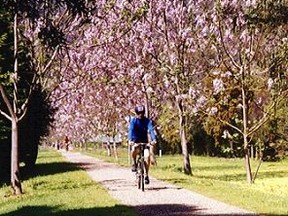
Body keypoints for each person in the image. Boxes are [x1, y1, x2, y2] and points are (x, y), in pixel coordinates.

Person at [128, 105, 157, 184]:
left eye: (142, 113)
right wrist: (130, 140)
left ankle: (146, 175)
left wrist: (154, 140)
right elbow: (131, 130)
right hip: (135, 140)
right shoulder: (133, 121)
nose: (140, 114)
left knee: (147, 157)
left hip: (144, 141)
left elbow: (151, 129)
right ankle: (134, 162)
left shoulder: (147, 121)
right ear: (136, 113)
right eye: (139, 113)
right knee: (134, 150)